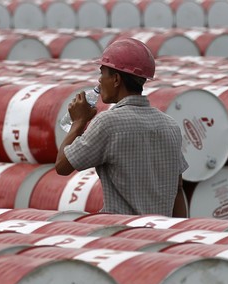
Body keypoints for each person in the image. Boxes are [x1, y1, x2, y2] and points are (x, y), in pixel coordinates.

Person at [55, 37, 188, 217]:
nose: (99, 82)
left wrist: (78, 122)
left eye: (102, 74)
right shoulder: (171, 126)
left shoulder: (107, 123)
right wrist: (178, 232)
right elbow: (178, 190)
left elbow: (62, 166)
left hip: (123, 236)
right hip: (161, 232)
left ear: (116, 79)